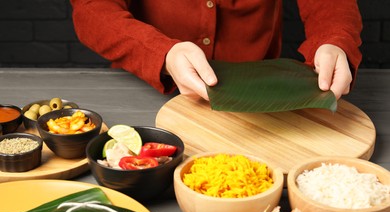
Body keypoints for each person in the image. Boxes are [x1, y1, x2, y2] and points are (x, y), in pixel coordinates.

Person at [70, 0, 362, 101]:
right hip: (145, 92)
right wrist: (162, 52)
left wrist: (334, 39)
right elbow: (91, 9)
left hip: (261, 97)